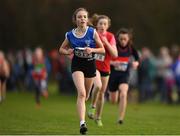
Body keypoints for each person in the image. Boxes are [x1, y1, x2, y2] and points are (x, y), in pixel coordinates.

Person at [59, 8, 105, 135]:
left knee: (87, 95)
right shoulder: (70, 35)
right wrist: (67, 52)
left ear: (87, 18)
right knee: (82, 93)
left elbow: (102, 49)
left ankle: (87, 106)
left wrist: (92, 50)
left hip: (90, 65)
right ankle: (82, 123)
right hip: (77, 65)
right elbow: (61, 49)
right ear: (75, 19)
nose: (82, 19)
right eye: (79, 17)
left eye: (84, 17)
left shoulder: (92, 32)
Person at [87, 14, 117, 127]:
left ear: (108, 26)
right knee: (98, 86)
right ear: (96, 25)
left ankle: (98, 117)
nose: (102, 26)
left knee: (101, 94)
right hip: (93, 66)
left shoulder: (110, 36)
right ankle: (92, 106)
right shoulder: (92, 34)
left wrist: (107, 43)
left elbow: (115, 55)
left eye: (105, 24)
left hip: (105, 68)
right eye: (100, 23)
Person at [108, 28, 139, 124]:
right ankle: (113, 97)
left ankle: (120, 119)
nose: (123, 41)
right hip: (113, 74)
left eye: (125, 39)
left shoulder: (131, 47)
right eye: (121, 39)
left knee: (123, 93)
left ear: (129, 39)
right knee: (113, 100)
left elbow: (137, 58)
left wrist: (136, 63)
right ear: (117, 39)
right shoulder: (113, 46)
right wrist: (113, 63)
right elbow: (105, 60)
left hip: (125, 74)